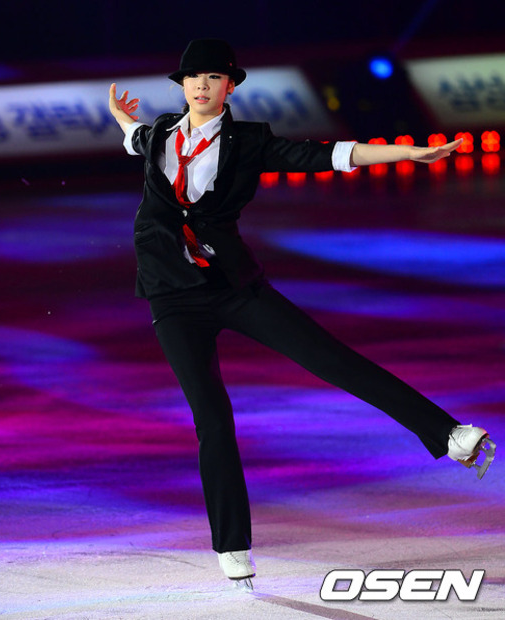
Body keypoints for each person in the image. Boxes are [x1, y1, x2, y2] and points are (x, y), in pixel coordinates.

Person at [108, 39, 496, 589]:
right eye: (193, 77)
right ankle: (232, 544)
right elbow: (134, 139)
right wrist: (122, 119)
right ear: (182, 85)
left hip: (233, 285)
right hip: (171, 296)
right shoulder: (159, 135)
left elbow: (324, 156)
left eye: (213, 77)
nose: (202, 85)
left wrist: (405, 154)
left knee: (330, 358)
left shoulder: (249, 141)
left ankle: (449, 434)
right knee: (212, 419)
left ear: (229, 87)